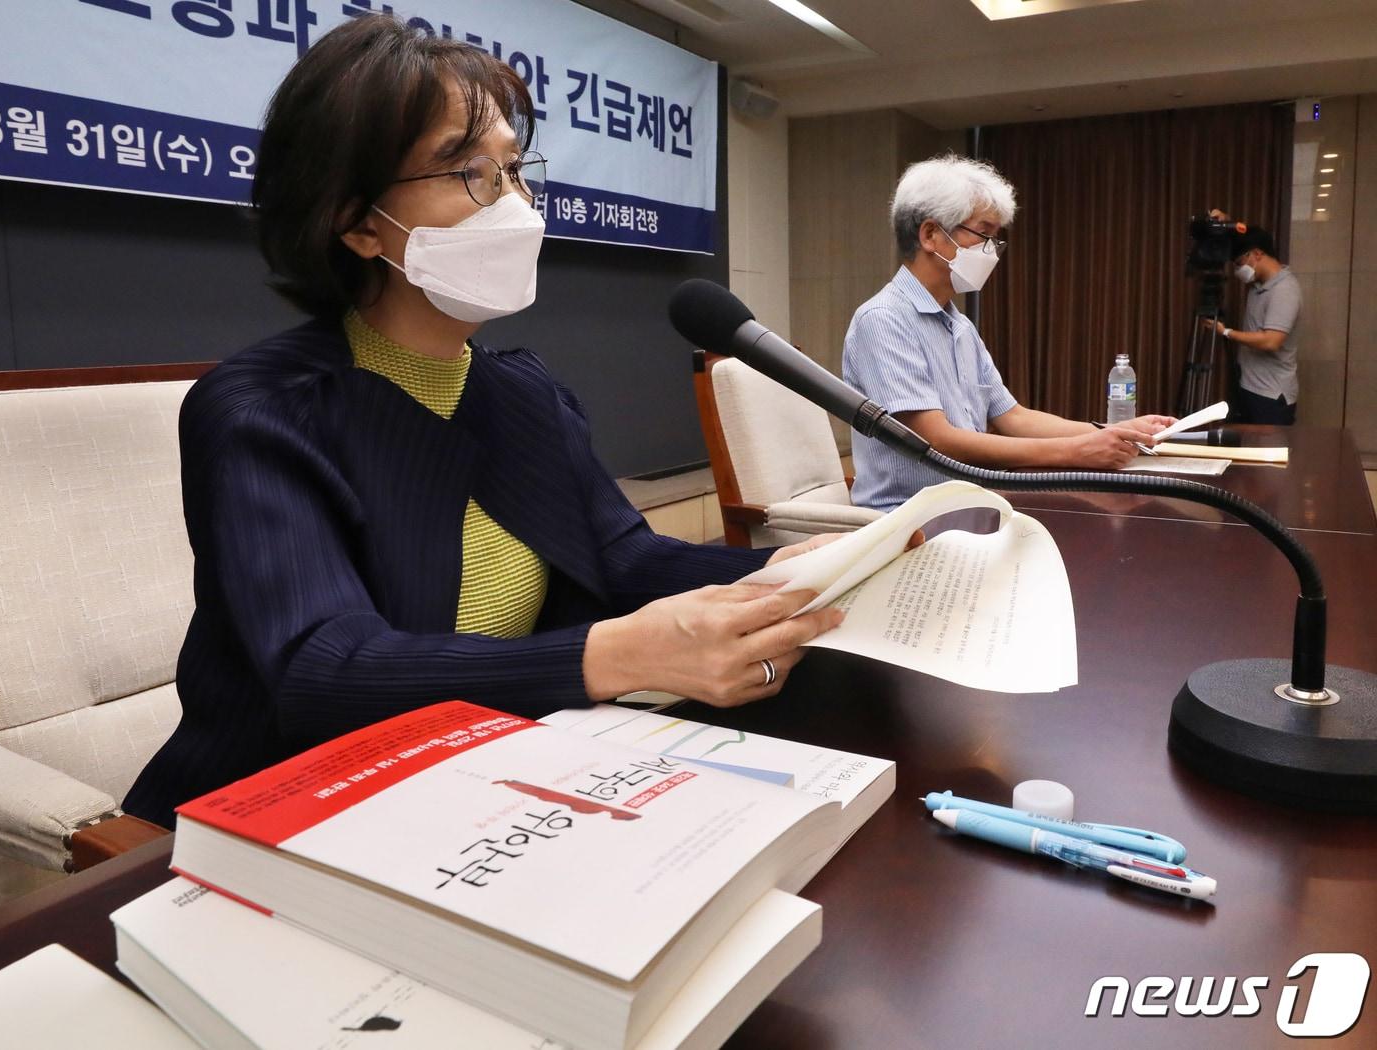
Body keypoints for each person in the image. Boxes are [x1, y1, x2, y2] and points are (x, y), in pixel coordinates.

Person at [122, 16, 846, 829]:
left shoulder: (524, 392)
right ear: (358, 222)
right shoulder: (265, 411)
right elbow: (324, 670)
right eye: (470, 172)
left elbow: (625, 559)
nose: (516, 205)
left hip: (483, 775)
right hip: (278, 811)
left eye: (514, 169)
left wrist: (784, 573)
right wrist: (614, 654)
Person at [842, 154, 1175, 512]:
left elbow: (1014, 417)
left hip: (969, 506)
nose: (991, 251)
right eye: (983, 234)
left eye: (995, 239)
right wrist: (1076, 451)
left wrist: (1114, 432)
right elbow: (936, 440)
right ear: (930, 235)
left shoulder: (960, 326)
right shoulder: (883, 319)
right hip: (908, 516)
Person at [1202, 223, 1301, 425]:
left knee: (1268, 445)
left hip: (1271, 395)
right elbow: (1249, 234)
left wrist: (1226, 332)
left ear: (1257, 254)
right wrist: (1225, 223)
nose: (1238, 270)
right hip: (1250, 387)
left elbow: (1271, 341)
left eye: (1239, 263)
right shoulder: (1259, 284)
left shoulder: (1284, 290)